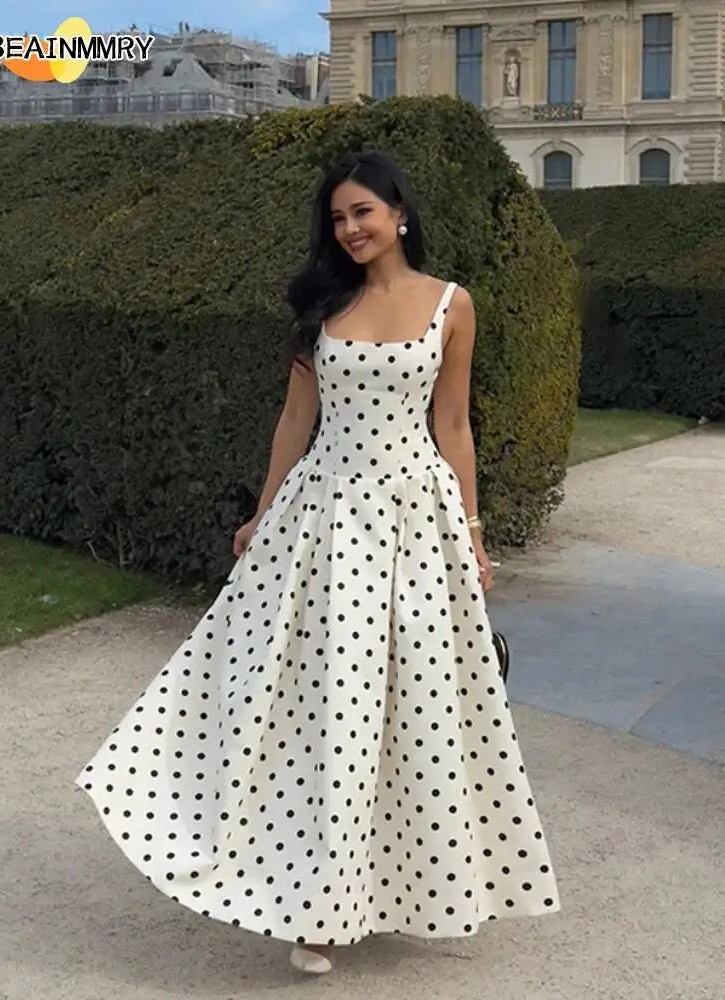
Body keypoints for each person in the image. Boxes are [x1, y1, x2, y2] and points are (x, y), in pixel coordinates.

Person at [75, 150, 560, 977]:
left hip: (415, 525)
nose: (349, 229)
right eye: (337, 218)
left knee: (417, 707)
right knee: (327, 707)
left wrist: (474, 531)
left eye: (362, 212)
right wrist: (264, 511)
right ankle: (321, 910)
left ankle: (406, 888)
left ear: (398, 214)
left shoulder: (453, 304)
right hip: (325, 521)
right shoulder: (323, 308)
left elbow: (453, 425)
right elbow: (295, 419)